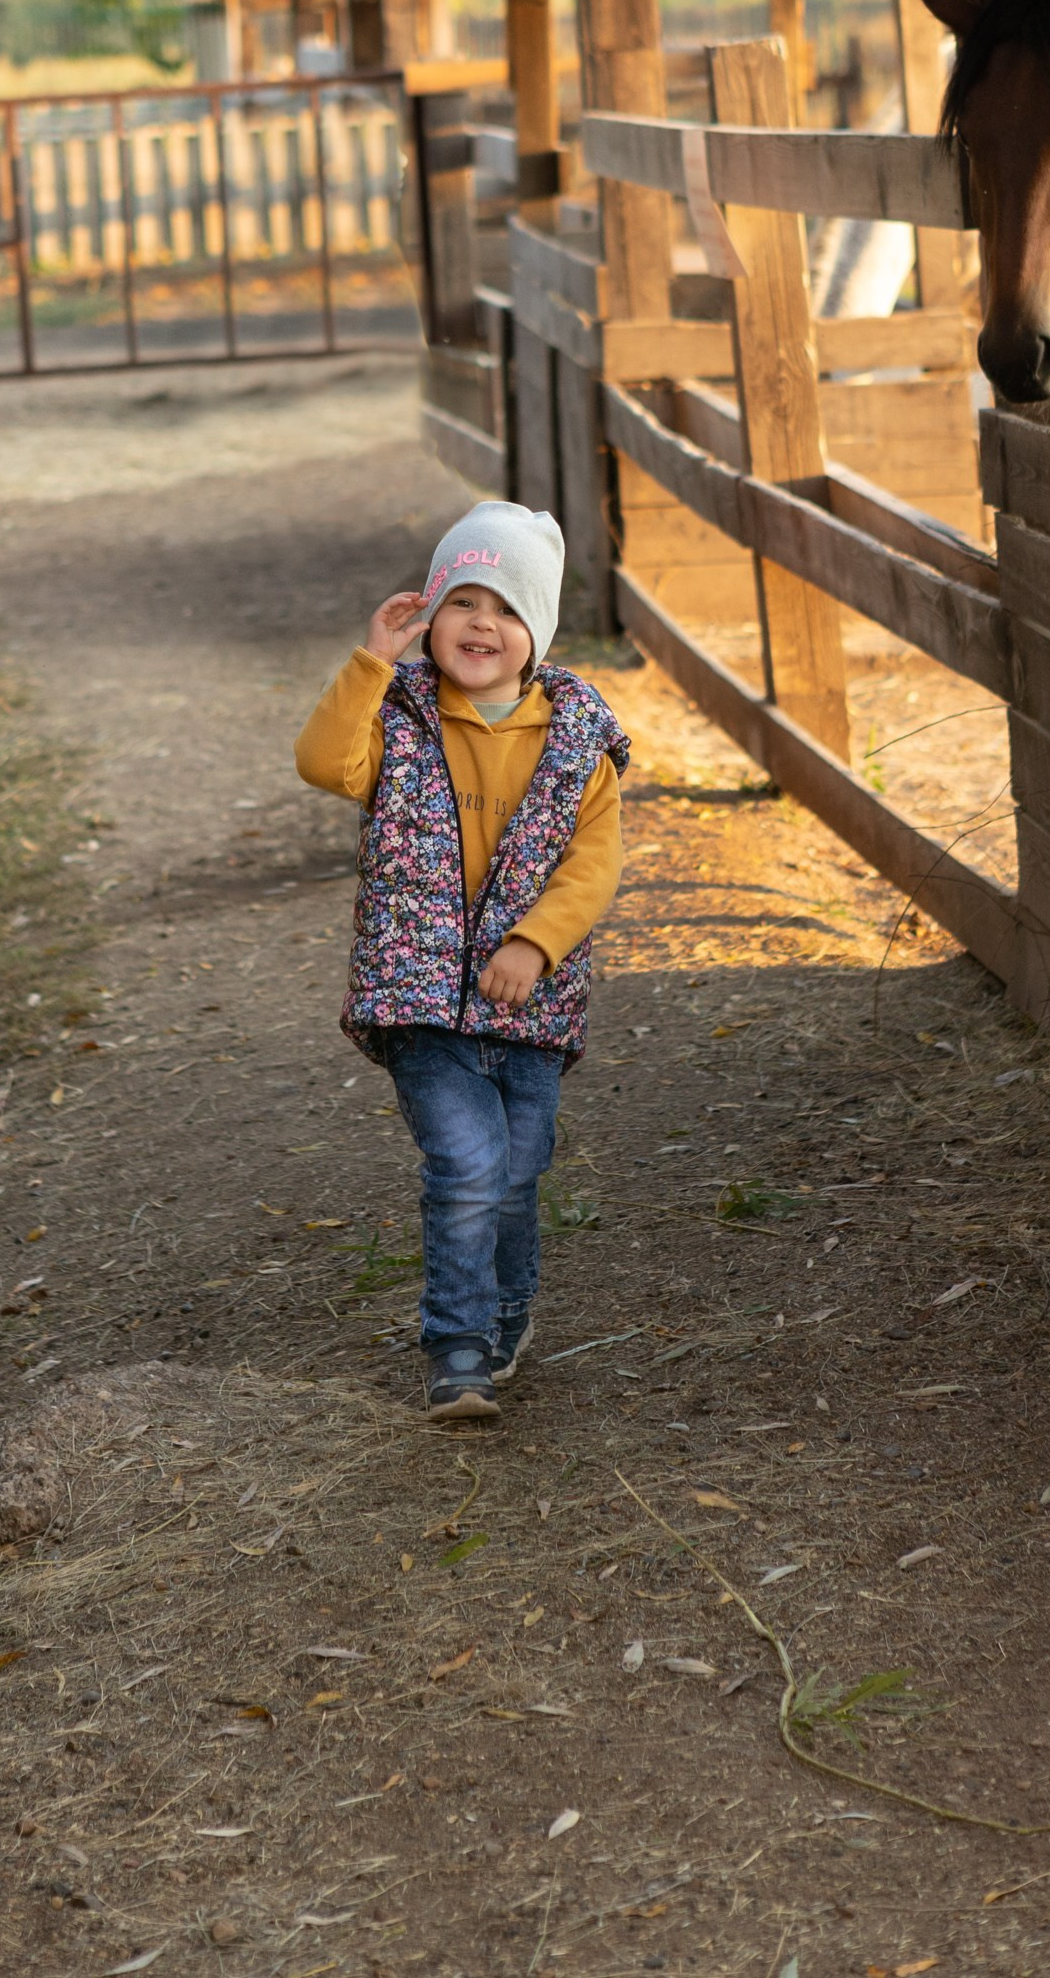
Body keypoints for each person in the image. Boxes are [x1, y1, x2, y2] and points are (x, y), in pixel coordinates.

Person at [295, 501, 629, 1420]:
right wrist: (372, 661)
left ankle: (508, 1313)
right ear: (430, 614)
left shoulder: (575, 742)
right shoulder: (398, 718)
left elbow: (593, 864)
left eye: (508, 608)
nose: (483, 623)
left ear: (538, 634)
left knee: (518, 1170)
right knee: (467, 1164)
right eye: (463, 600)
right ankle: (456, 1345)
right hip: (421, 999)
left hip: (530, 1003)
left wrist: (534, 942)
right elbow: (323, 763)